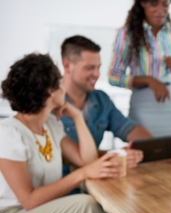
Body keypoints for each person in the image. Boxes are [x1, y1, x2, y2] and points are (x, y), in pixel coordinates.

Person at [0, 53, 129, 213]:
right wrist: (83, 174)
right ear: (51, 90)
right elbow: (29, 200)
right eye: (60, 82)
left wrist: (77, 117)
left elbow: (87, 160)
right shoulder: (9, 132)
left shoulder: (51, 125)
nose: (64, 88)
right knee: (85, 205)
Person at [61, 35, 152, 176]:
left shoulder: (101, 99)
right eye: (89, 68)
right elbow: (64, 155)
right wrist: (118, 156)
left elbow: (128, 128)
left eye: (98, 68)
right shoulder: (50, 102)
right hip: (64, 185)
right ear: (67, 65)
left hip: (97, 181)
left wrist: (155, 147)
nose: (96, 74)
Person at [108, 0, 171, 137]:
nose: (161, 10)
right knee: (145, 153)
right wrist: (148, 80)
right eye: (154, 4)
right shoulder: (126, 33)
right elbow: (113, 76)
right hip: (143, 108)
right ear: (142, 3)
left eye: (165, 4)